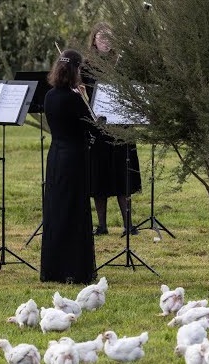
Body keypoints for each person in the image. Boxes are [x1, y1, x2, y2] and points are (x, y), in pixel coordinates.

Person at [40, 48, 96, 284]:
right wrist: (85, 100)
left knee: (56, 209)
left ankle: (53, 267)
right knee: (74, 210)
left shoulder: (50, 96)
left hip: (55, 156)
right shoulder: (73, 99)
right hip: (74, 158)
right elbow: (91, 126)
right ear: (75, 70)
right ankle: (74, 268)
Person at [83, 22, 142, 237]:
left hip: (121, 126)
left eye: (109, 37)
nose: (105, 41)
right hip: (99, 127)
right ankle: (102, 225)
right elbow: (84, 93)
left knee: (122, 174)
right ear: (94, 41)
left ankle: (128, 225)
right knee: (99, 177)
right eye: (101, 37)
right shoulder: (86, 66)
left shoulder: (123, 64)